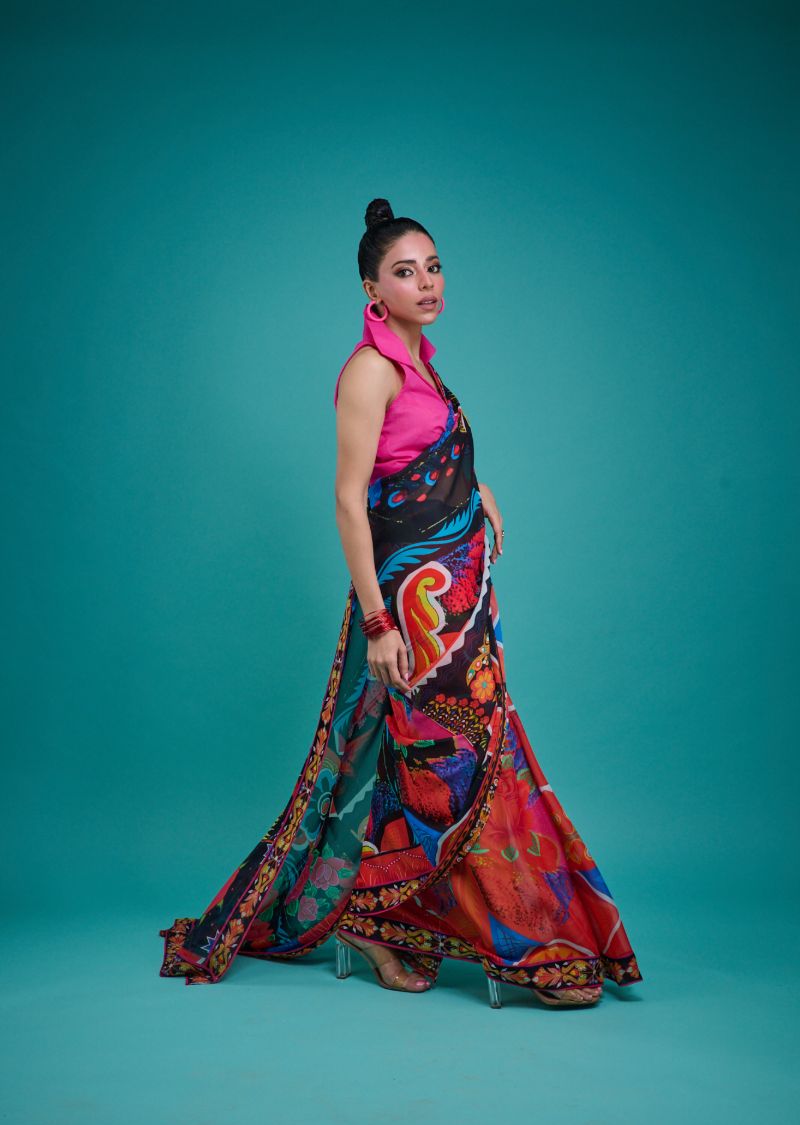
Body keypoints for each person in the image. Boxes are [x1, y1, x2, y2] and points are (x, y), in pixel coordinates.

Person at [159, 198, 644, 1009]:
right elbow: (350, 501)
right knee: (446, 762)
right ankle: (512, 941)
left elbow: (425, 458)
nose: (427, 283)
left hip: (463, 608)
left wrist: (478, 492)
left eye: (434, 267)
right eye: (406, 272)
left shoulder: (423, 363)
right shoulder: (371, 370)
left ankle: (382, 918)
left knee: (461, 750)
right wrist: (380, 622)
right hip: (411, 612)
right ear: (372, 291)